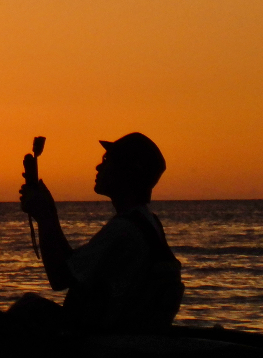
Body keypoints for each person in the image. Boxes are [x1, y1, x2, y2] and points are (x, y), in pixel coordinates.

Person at [20, 132, 183, 334]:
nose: (99, 167)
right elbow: (74, 265)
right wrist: (49, 212)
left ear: (126, 172)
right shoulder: (146, 222)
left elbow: (59, 277)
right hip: (121, 334)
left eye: (107, 161)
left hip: (104, 340)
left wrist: (44, 216)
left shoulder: (123, 229)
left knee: (26, 308)